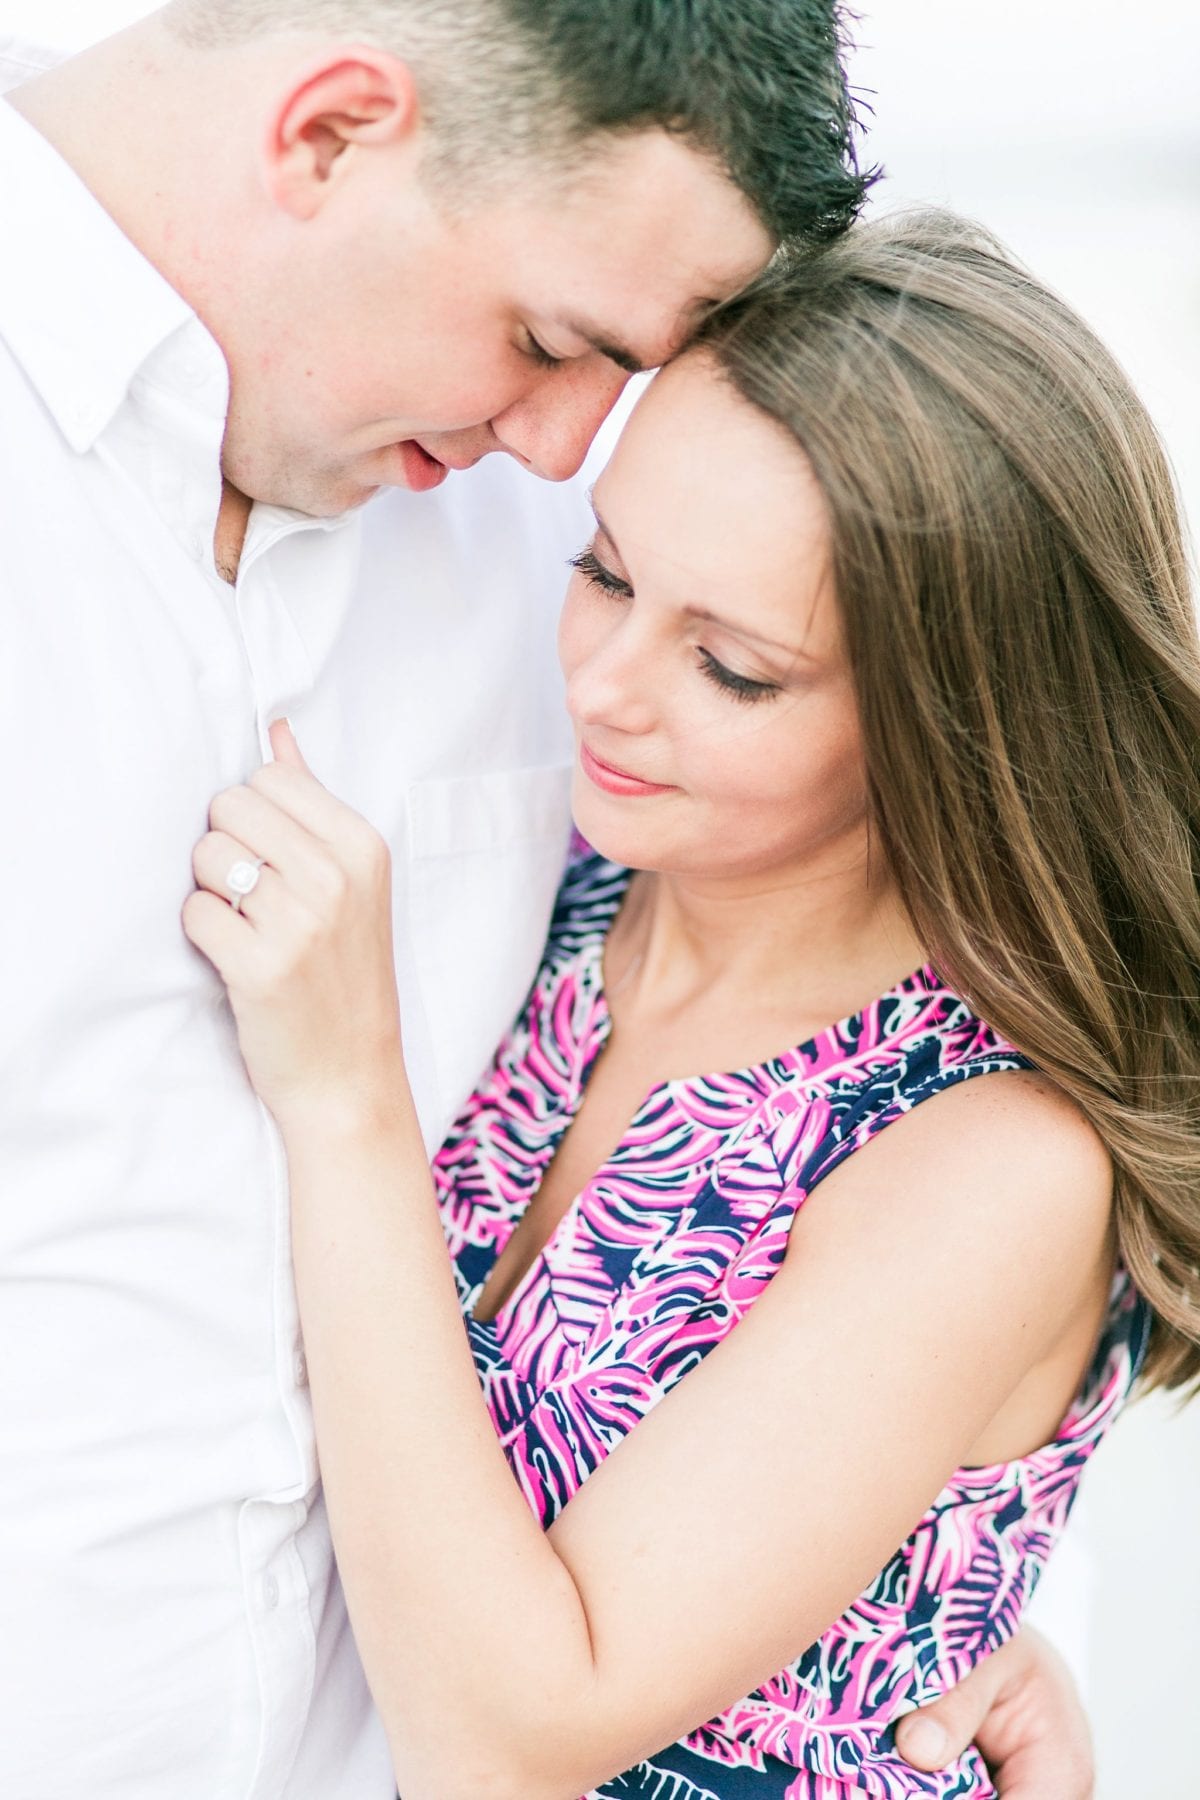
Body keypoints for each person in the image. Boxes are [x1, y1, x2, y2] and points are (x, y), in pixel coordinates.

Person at [0, 1, 1094, 1792]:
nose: (571, 438)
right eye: (545, 340)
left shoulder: (557, 521)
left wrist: (909, 1608)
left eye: (620, 366)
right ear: (332, 134)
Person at [185, 209, 1200, 1799]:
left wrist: (347, 1099)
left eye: (732, 668)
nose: (603, 683)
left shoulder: (997, 1153)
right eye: (605, 572)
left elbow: (503, 1742)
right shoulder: (574, 898)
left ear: (954, 722)